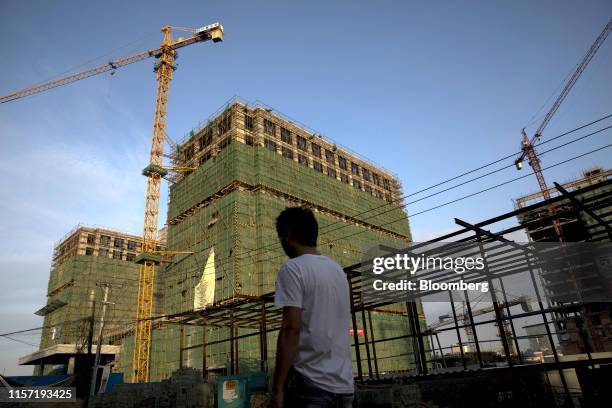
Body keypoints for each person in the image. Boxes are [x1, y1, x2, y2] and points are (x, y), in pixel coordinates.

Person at [270, 207, 354, 408]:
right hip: (345, 386)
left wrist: (278, 388)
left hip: (311, 385)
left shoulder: (293, 268)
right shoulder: (338, 272)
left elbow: (291, 329)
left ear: (288, 236)